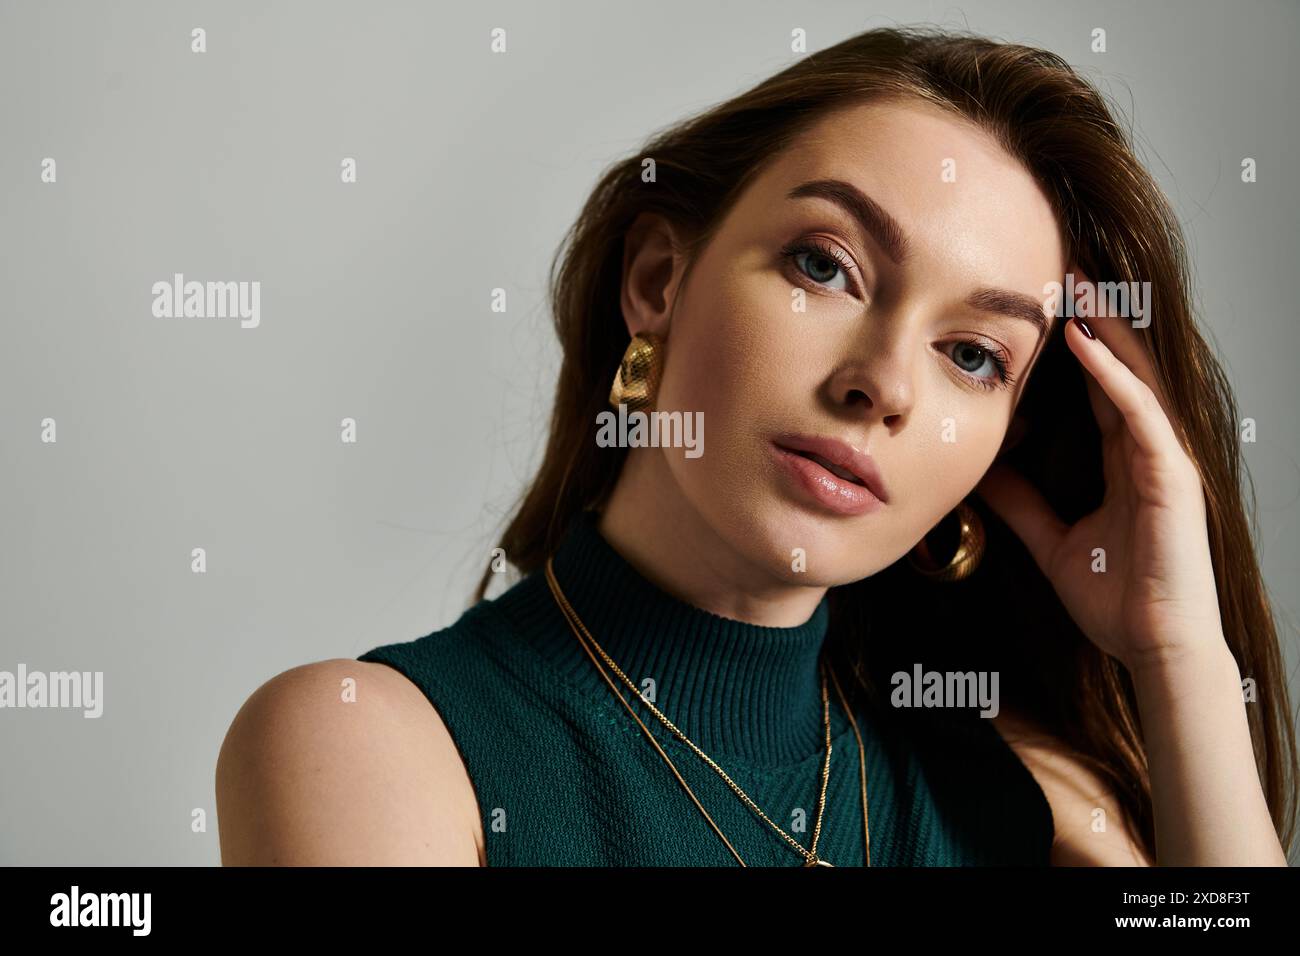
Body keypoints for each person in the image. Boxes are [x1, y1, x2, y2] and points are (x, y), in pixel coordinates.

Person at [215, 26, 1296, 866]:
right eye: (824, 266)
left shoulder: (1020, 800)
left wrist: (1177, 650)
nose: (883, 383)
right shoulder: (375, 746)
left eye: (972, 354)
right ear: (657, 281)